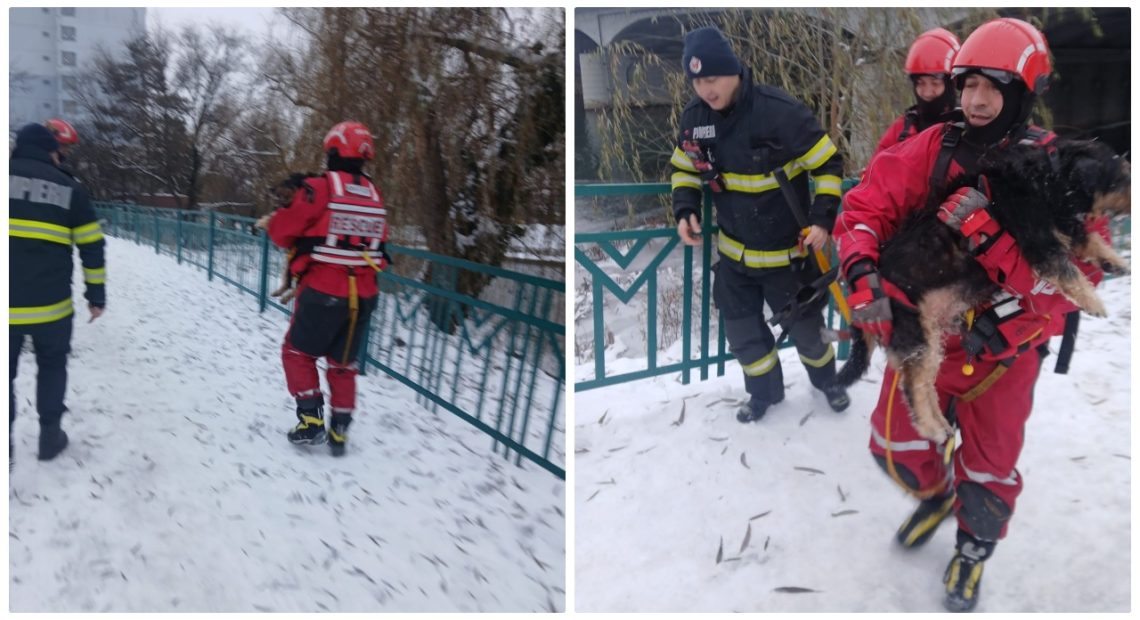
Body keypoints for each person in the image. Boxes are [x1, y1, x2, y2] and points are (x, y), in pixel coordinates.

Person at [834, 18, 1110, 612]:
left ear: (1023, 92)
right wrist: (859, 271)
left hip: (1006, 354)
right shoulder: (933, 149)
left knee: (990, 469)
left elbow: (1073, 285)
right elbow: (865, 207)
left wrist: (993, 242)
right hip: (929, 337)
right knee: (893, 446)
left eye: (992, 87)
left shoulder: (1057, 164)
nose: (976, 101)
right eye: (967, 86)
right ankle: (935, 494)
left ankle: (973, 548)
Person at [670, 26, 849, 423]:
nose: (705, 89)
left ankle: (829, 381)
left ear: (733, 71)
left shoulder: (778, 111)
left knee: (809, 335)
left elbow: (827, 163)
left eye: (712, 78)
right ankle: (764, 394)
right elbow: (684, 168)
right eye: (697, 81)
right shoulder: (695, 119)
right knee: (746, 340)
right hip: (734, 262)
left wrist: (822, 220)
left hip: (788, 257)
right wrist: (685, 209)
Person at [265, 121, 389, 456]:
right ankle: (340, 430)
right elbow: (381, 244)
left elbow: (281, 232)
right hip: (363, 295)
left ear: (332, 150)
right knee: (342, 363)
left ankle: (310, 421)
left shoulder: (320, 187)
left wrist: (282, 218)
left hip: (323, 290)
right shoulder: (375, 194)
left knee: (297, 352)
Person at [9, 122, 106, 468]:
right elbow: (92, 246)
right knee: (52, 368)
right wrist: (96, 296)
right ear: (51, 150)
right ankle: (50, 437)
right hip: (51, 308)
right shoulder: (70, 188)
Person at [872, 28, 961, 156]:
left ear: (951, 83)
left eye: (935, 83)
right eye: (920, 83)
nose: (927, 92)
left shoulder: (967, 128)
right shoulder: (902, 128)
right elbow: (873, 171)